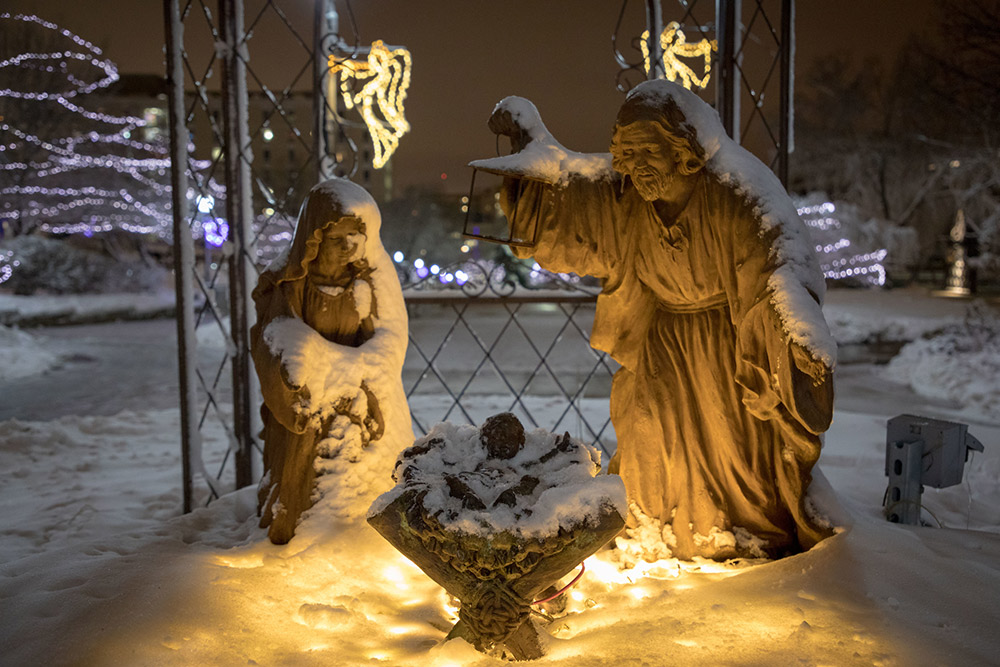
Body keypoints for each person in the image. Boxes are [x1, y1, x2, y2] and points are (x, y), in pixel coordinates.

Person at [476, 80, 836, 560]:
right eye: (626, 153)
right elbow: (568, 188)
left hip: (726, 351)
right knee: (647, 442)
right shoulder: (629, 194)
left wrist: (797, 333)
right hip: (663, 343)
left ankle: (738, 539)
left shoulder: (738, 189)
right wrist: (529, 143)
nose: (635, 166)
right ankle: (654, 536)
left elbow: (781, 268)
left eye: (648, 151)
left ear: (682, 147)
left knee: (736, 469)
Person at [251, 178, 409, 544]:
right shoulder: (290, 286)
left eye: (355, 237)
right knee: (301, 478)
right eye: (337, 239)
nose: (348, 247)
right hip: (310, 402)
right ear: (313, 240)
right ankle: (302, 540)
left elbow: (384, 344)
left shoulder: (363, 285)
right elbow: (277, 337)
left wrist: (353, 374)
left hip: (357, 398)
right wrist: (305, 363)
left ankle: (356, 541)